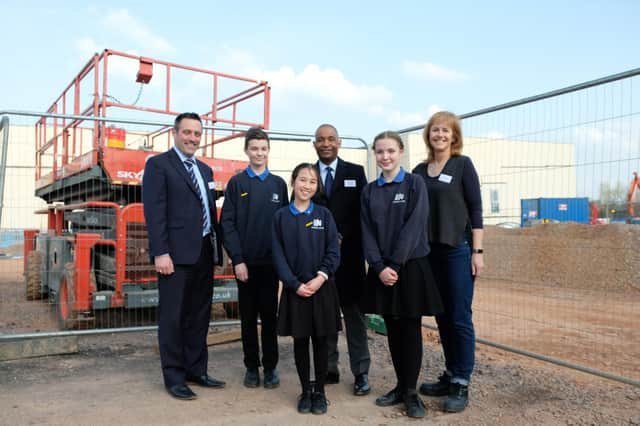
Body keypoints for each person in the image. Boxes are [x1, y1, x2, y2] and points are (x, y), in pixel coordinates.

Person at [142, 112, 226, 400]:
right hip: (175, 256)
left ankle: (196, 370)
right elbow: (154, 214)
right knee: (173, 317)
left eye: (197, 134)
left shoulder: (205, 170)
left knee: (199, 315)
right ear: (175, 133)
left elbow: (210, 212)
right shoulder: (158, 166)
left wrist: (217, 250)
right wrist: (160, 252)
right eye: (187, 132)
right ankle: (174, 376)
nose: (192, 138)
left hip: (203, 252)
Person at [360, 131, 443, 419]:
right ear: (375, 154)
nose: (385, 157)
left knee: (410, 329)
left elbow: (415, 225)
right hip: (382, 269)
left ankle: (411, 392)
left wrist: (394, 264)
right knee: (392, 328)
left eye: (391, 151)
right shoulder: (370, 191)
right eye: (380, 152)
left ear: (401, 152)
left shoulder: (414, 183)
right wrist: (379, 266)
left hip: (408, 267)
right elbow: (367, 232)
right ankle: (399, 385)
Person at [413, 111, 484, 413]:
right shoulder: (419, 170)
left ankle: (461, 382)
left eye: (446, 131)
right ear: (428, 135)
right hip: (429, 254)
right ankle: (450, 372)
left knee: (459, 316)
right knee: (442, 317)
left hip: (456, 249)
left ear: (454, 136)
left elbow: (476, 209)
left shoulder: (462, 165)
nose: (440, 135)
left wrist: (477, 253)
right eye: (435, 130)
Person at [271, 163, 342, 415]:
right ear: (293, 182)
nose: (307, 186)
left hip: (321, 288)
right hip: (295, 291)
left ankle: (320, 392)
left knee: (321, 341)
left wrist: (320, 277)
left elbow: (334, 250)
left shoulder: (324, 215)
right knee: (300, 342)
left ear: (317, 187)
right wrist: (294, 284)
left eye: (312, 182)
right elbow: (278, 256)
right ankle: (305, 390)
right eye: (302, 180)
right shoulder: (280, 217)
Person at [220, 127, 288, 389]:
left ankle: (270, 367)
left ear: (268, 151)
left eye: (263, 149)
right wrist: (237, 259)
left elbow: (284, 225)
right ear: (246, 151)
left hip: (270, 266)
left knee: (270, 318)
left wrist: (283, 262)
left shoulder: (278, 185)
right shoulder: (237, 184)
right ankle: (251, 367)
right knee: (248, 319)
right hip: (245, 266)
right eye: (254, 148)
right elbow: (228, 224)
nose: (259, 153)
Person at [312, 123, 371, 396]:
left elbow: (366, 214)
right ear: (315, 144)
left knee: (355, 320)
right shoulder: (308, 174)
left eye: (331, 139)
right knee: (325, 319)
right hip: (319, 262)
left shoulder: (355, 173)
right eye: (321, 140)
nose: (326, 144)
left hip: (350, 261)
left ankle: (361, 373)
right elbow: (298, 212)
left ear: (339, 142)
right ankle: (328, 369)